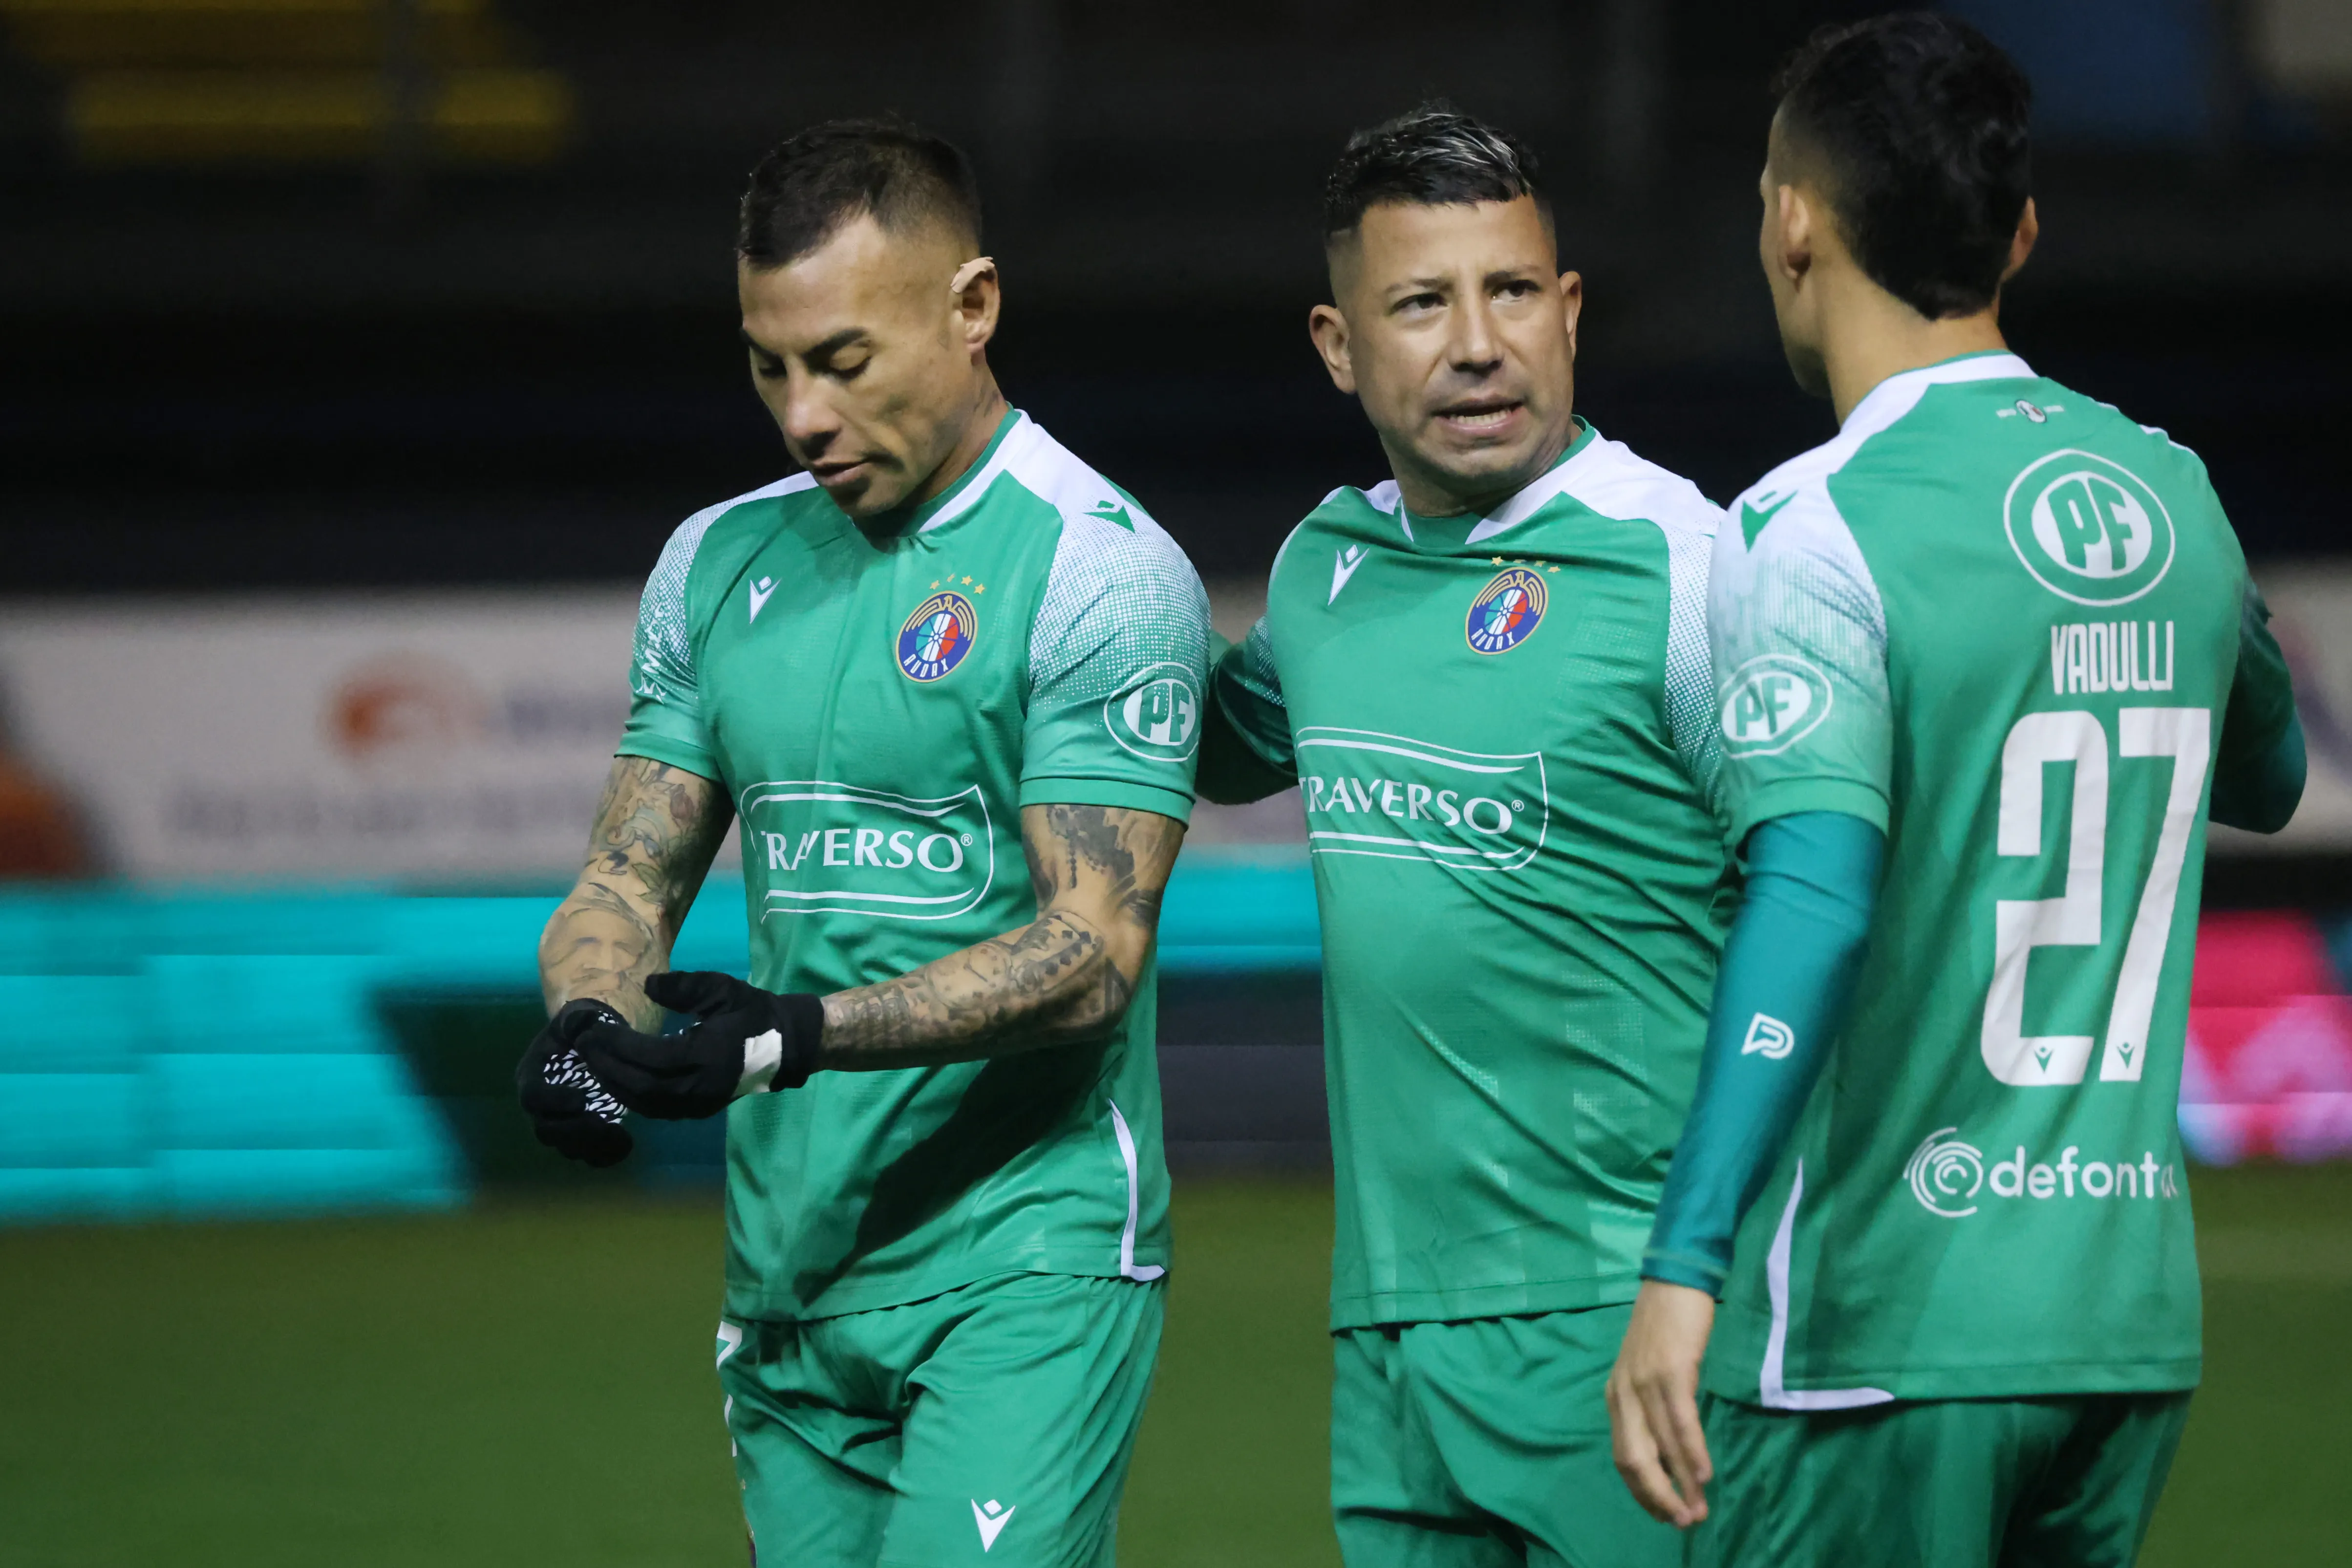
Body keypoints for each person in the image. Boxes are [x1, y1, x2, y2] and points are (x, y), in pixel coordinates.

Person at [1606, 15, 2308, 1567]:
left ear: (1791, 222)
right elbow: (2265, 774)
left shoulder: (1814, 528)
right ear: (2022, 233)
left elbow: (1809, 896)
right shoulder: (2171, 491)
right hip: (2119, 1323)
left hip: (1881, 1335)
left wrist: (1684, 1256)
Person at [517, 118, 1211, 1568]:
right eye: (769, 365)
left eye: (842, 360)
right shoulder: (715, 562)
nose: (802, 415)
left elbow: (1093, 954)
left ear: (973, 308)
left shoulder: (1097, 565)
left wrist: (791, 1037)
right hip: (789, 1268)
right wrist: (585, 1018)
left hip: (1023, 1255)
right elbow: (628, 876)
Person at [1197, 104, 1730, 1568]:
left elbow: (1825, 901)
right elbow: (1179, 740)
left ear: (1566, 315)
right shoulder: (1325, 575)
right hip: (1388, 1333)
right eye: (1420, 304)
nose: (1475, 343)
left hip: (1633, 1315)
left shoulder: (1682, 561)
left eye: (1508, 293)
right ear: (1336, 345)